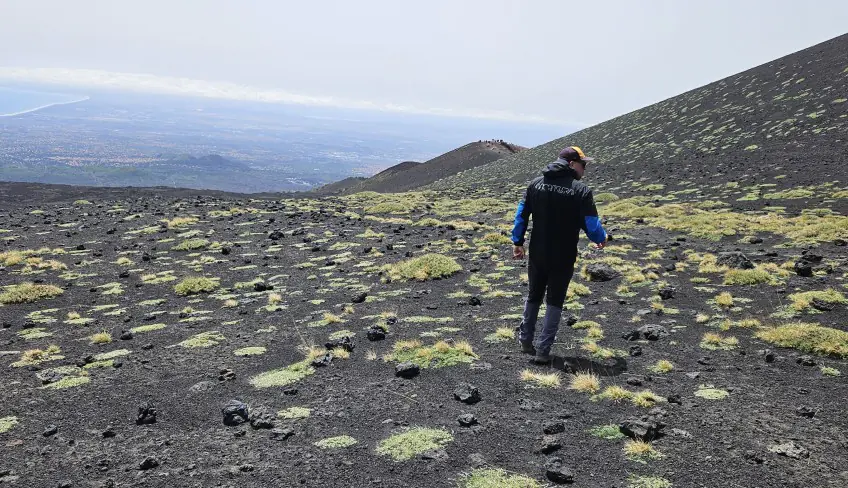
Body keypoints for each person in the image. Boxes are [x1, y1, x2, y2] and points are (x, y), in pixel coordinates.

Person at [510, 145, 608, 364]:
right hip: (563, 254)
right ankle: (543, 351)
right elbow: (591, 225)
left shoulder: (535, 184)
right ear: (572, 164)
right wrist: (601, 238)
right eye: (583, 165)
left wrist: (518, 242)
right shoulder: (580, 190)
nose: (585, 170)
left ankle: (525, 340)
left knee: (534, 293)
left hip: (538, 251)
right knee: (555, 300)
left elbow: (521, 215)